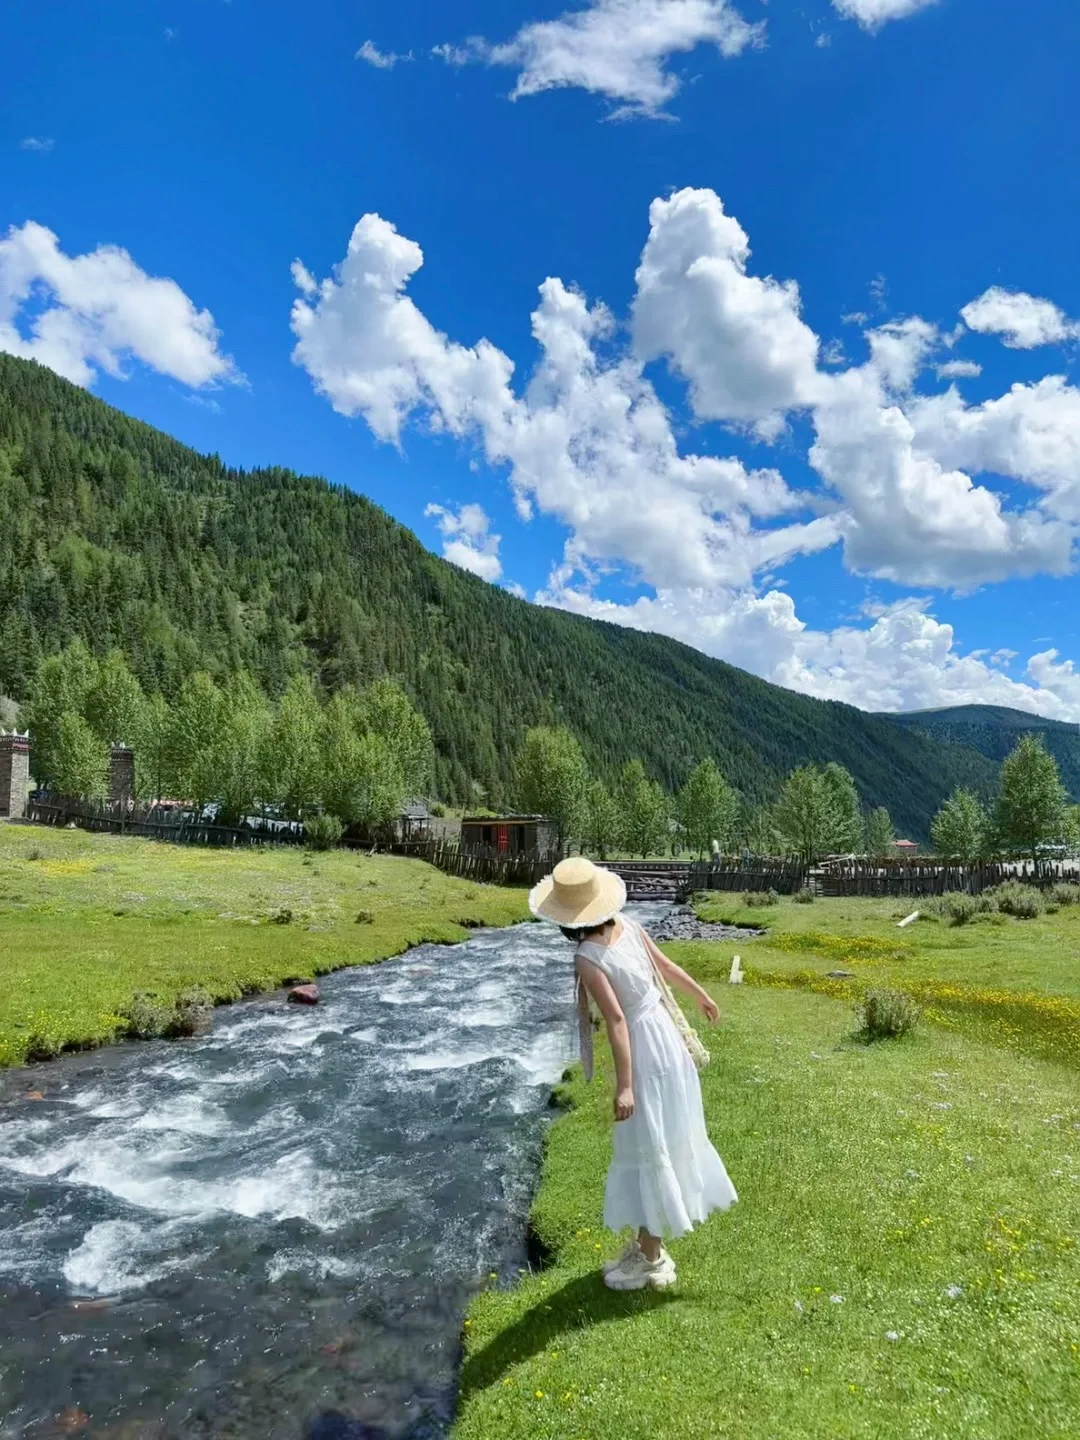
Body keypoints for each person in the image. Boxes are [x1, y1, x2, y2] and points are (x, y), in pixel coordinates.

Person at [529, 856, 738, 1291]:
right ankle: (648, 1245)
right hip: (665, 1039)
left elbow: (618, 1021)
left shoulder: (588, 957)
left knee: (648, 1141)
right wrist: (701, 995)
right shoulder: (628, 924)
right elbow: (665, 968)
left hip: (645, 1050)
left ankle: (650, 1257)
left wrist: (625, 1087)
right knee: (660, 1139)